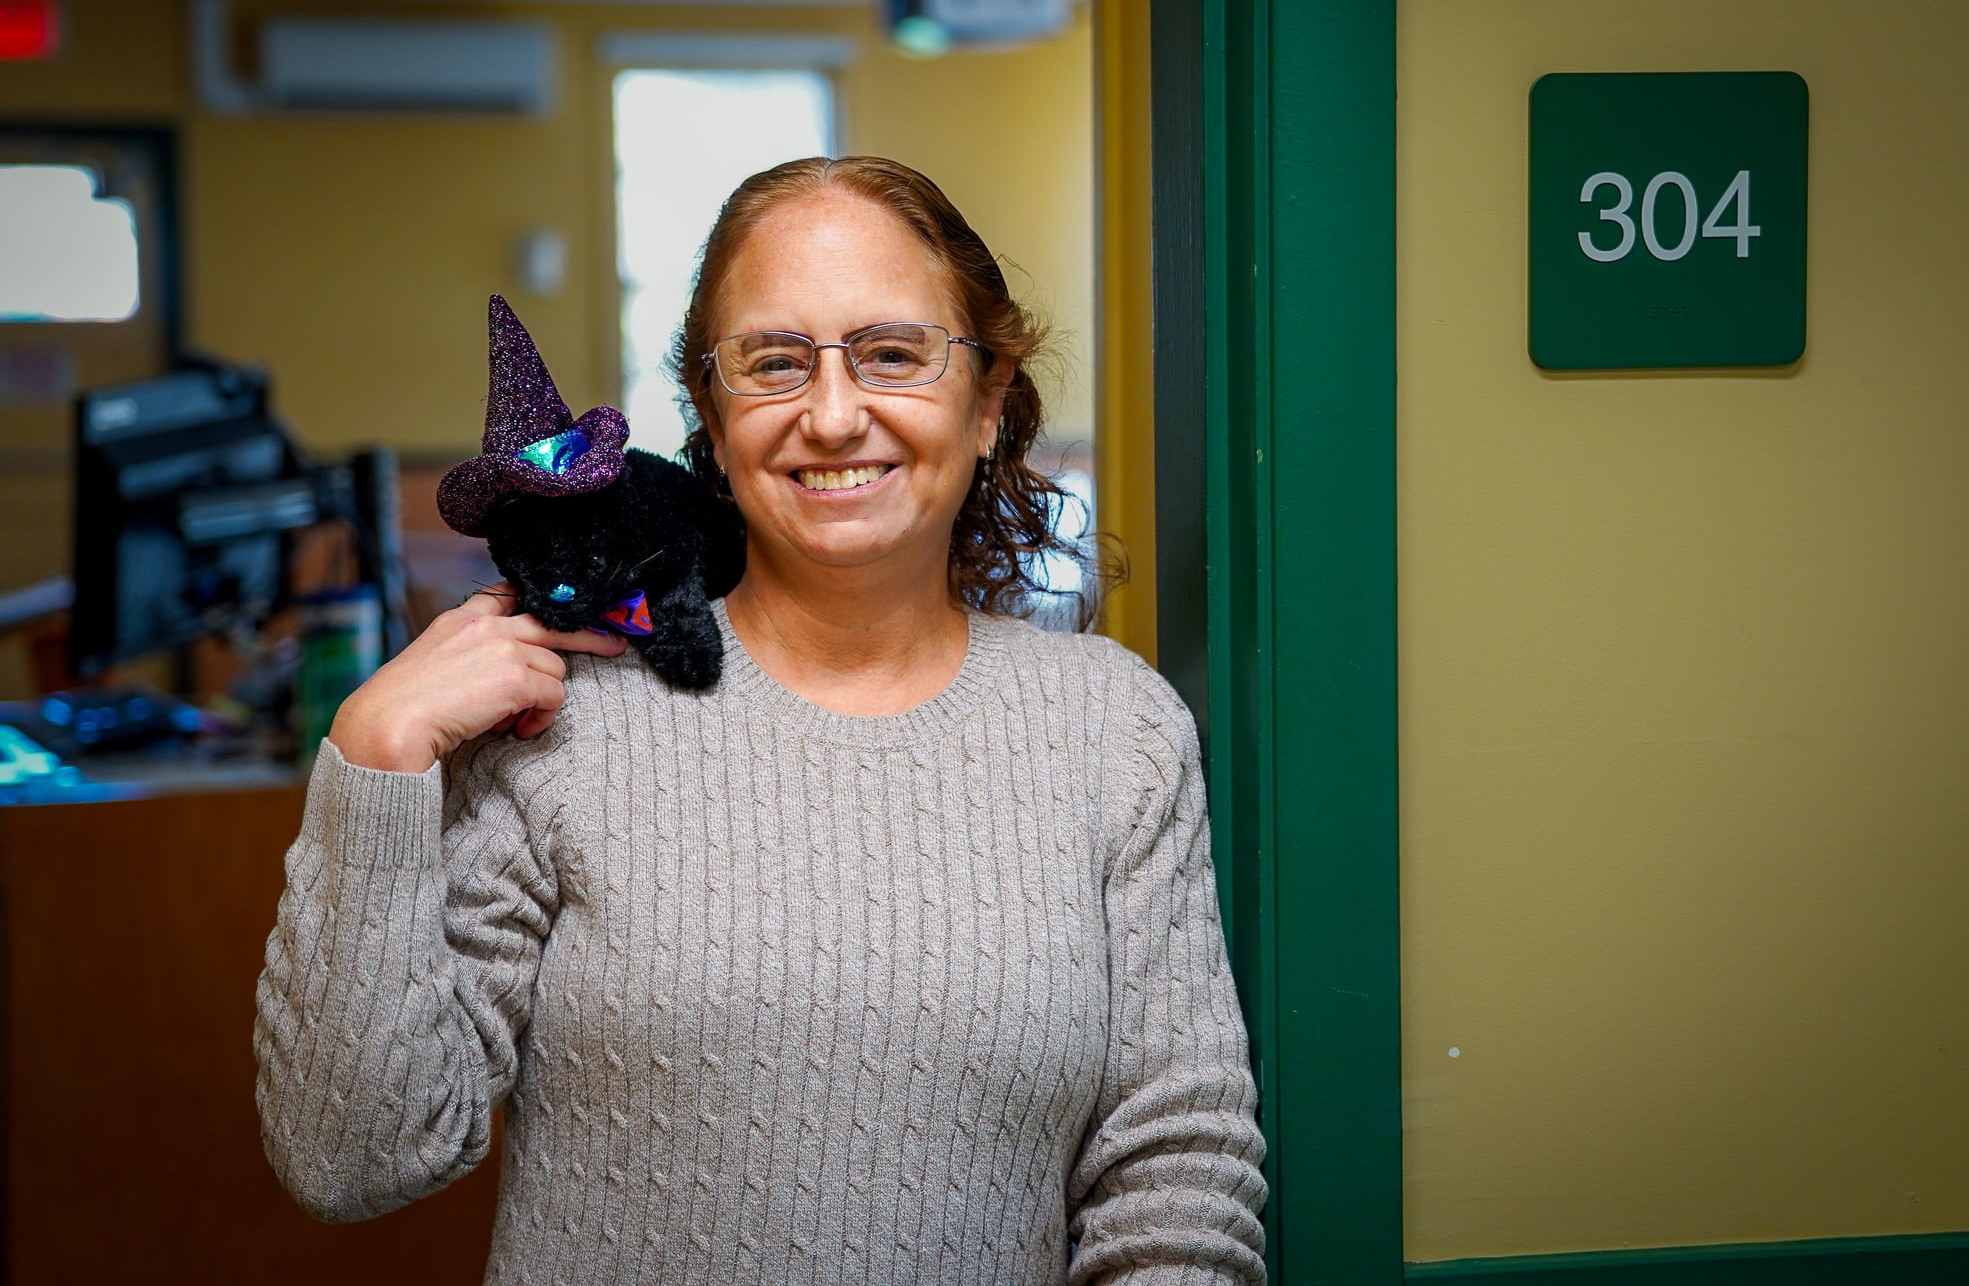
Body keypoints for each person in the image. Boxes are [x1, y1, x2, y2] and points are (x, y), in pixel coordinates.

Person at [254, 156, 1267, 1284]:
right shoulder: (565, 715)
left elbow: (1177, 1169)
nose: (833, 417)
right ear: (713, 416)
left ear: (986, 403)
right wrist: (373, 758)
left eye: (891, 353)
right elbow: (349, 1158)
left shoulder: (1111, 730)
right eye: (774, 364)